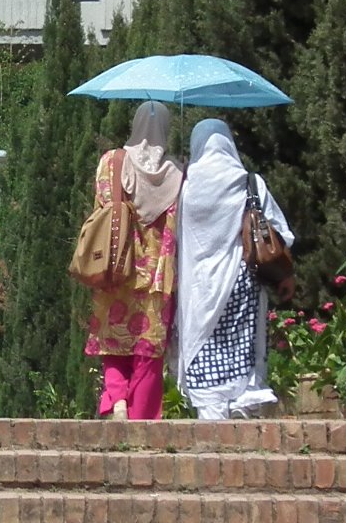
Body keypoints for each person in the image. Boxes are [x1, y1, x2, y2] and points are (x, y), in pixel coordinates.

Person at [174, 118, 294, 420]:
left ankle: (211, 415)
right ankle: (243, 404)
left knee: (205, 346)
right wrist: (287, 274)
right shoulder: (248, 182)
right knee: (241, 347)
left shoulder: (185, 188)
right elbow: (279, 232)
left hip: (199, 289)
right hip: (241, 282)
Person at [85, 100, 185, 421]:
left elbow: (101, 207)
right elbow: (176, 232)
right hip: (155, 278)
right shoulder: (176, 174)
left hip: (117, 270)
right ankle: (142, 419)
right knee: (147, 352)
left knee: (113, 342)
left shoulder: (111, 163)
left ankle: (116, 398)